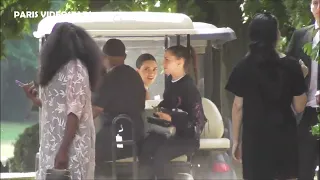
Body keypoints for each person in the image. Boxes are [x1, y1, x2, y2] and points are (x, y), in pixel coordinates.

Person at [225, 13, 308, 180]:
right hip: (284, 136)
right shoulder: (292, 66)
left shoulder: (243, 66)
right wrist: (302, 76)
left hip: (255, 137)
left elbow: (237, 106)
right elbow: (299, 106)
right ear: (275, 35)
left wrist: (236, 140)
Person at [21, 22, 102, 180]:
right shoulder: (55, 70)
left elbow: (74, 112)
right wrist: (34, 99)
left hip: (71, 146)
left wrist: (63, 150)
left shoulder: (76, 68)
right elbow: (56, 108)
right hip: (52, 143)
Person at [138, 45, 207, 180]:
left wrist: (171, 118)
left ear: (180, 62)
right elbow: (168, 103)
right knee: (145, 148)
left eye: (167, 59)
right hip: (169, 132)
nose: (163, 64)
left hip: (187, 138)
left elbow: (197, 122)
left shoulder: (189, 88)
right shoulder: (171, 81)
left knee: (160, 156)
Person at [92, 39, 146, 170]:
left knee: (88, 153)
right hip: (137, 137)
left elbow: (95, 111)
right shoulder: (136, 76)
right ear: (125, 57)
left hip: (115, 137)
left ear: (104, 57)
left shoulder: (108, 79)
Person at [286, 0, 320, 179]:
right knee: (303, 169)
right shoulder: (300, 35)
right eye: (315, 2)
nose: (318, 7)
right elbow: (284, 69)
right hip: (304, 113)